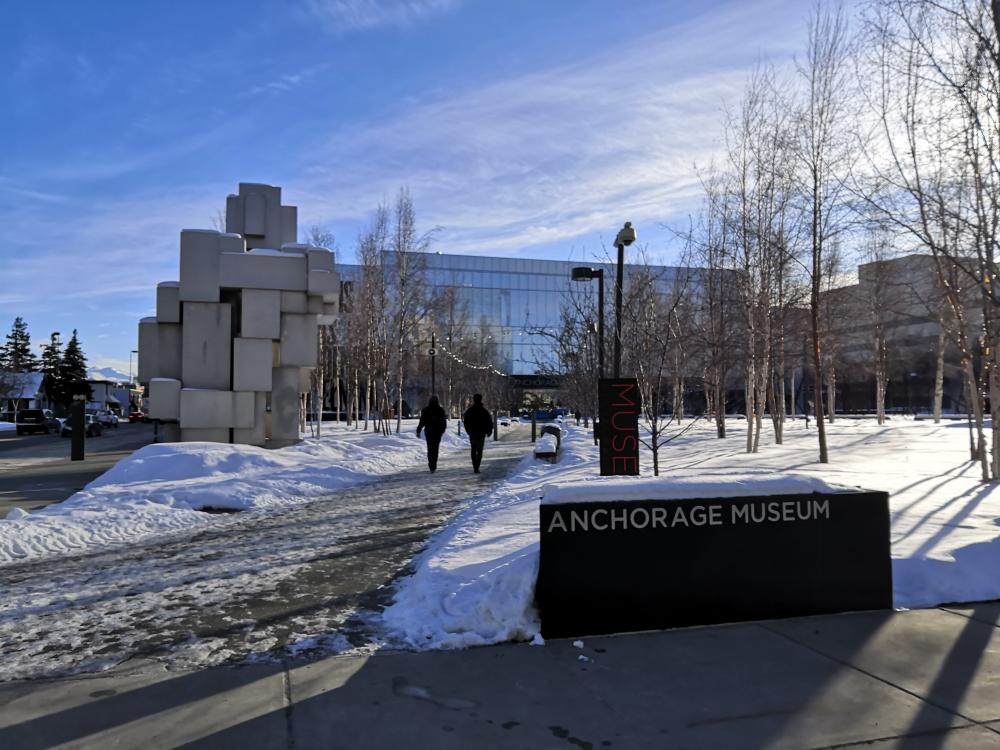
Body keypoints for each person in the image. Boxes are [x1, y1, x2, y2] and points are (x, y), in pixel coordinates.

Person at [462, 393, 494, 474]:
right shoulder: (484, 411)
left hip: (472, 433)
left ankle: (474, 465)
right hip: (481, 433)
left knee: (473, 449)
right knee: (479, 450)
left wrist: (468, 430)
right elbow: (489, 422)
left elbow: (466, 421)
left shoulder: (469, 411)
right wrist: (489, 431)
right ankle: (477, 466)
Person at [416, 396, 447, 472]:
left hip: (429, 432)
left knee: (430, 448)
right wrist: (442, 431)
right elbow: (444, 422)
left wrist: (418, 430)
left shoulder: (426, 410)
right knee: (435, 448)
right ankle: (434, 465)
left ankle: (431, 465)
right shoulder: (440, 410)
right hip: (437, 432)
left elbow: (422, 421)